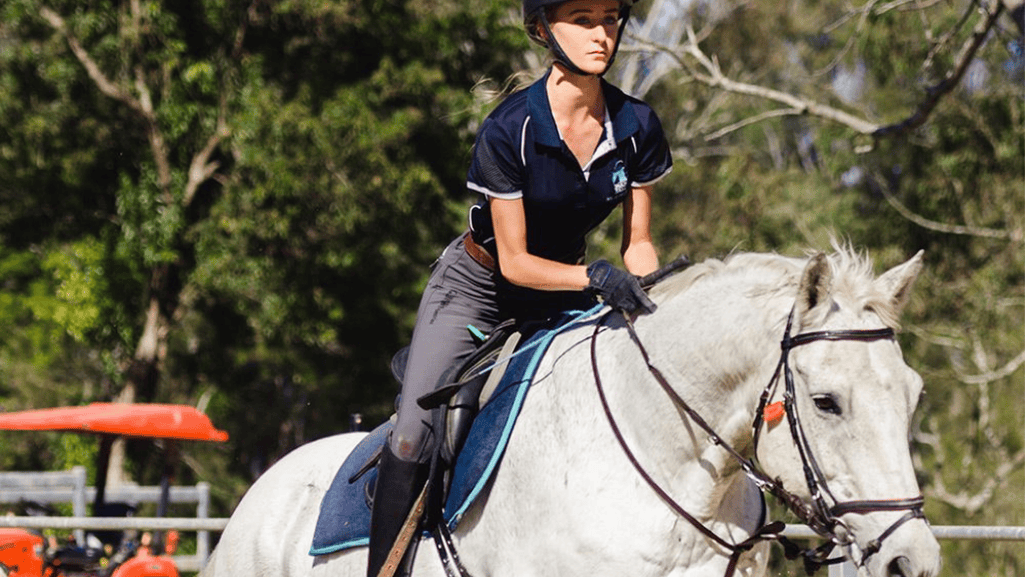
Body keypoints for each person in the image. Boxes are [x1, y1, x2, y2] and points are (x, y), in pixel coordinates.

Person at [367, 1, 673, 575]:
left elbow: (638, 242)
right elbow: (515, 264)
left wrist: (652, 297)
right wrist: (595, 277)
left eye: (610, 18)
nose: (601, 34)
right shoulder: (510, 128)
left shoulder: (637, 125)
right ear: (542, 29)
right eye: (582, 19)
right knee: (410, 438)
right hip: (479, 286)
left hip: (567, 291)